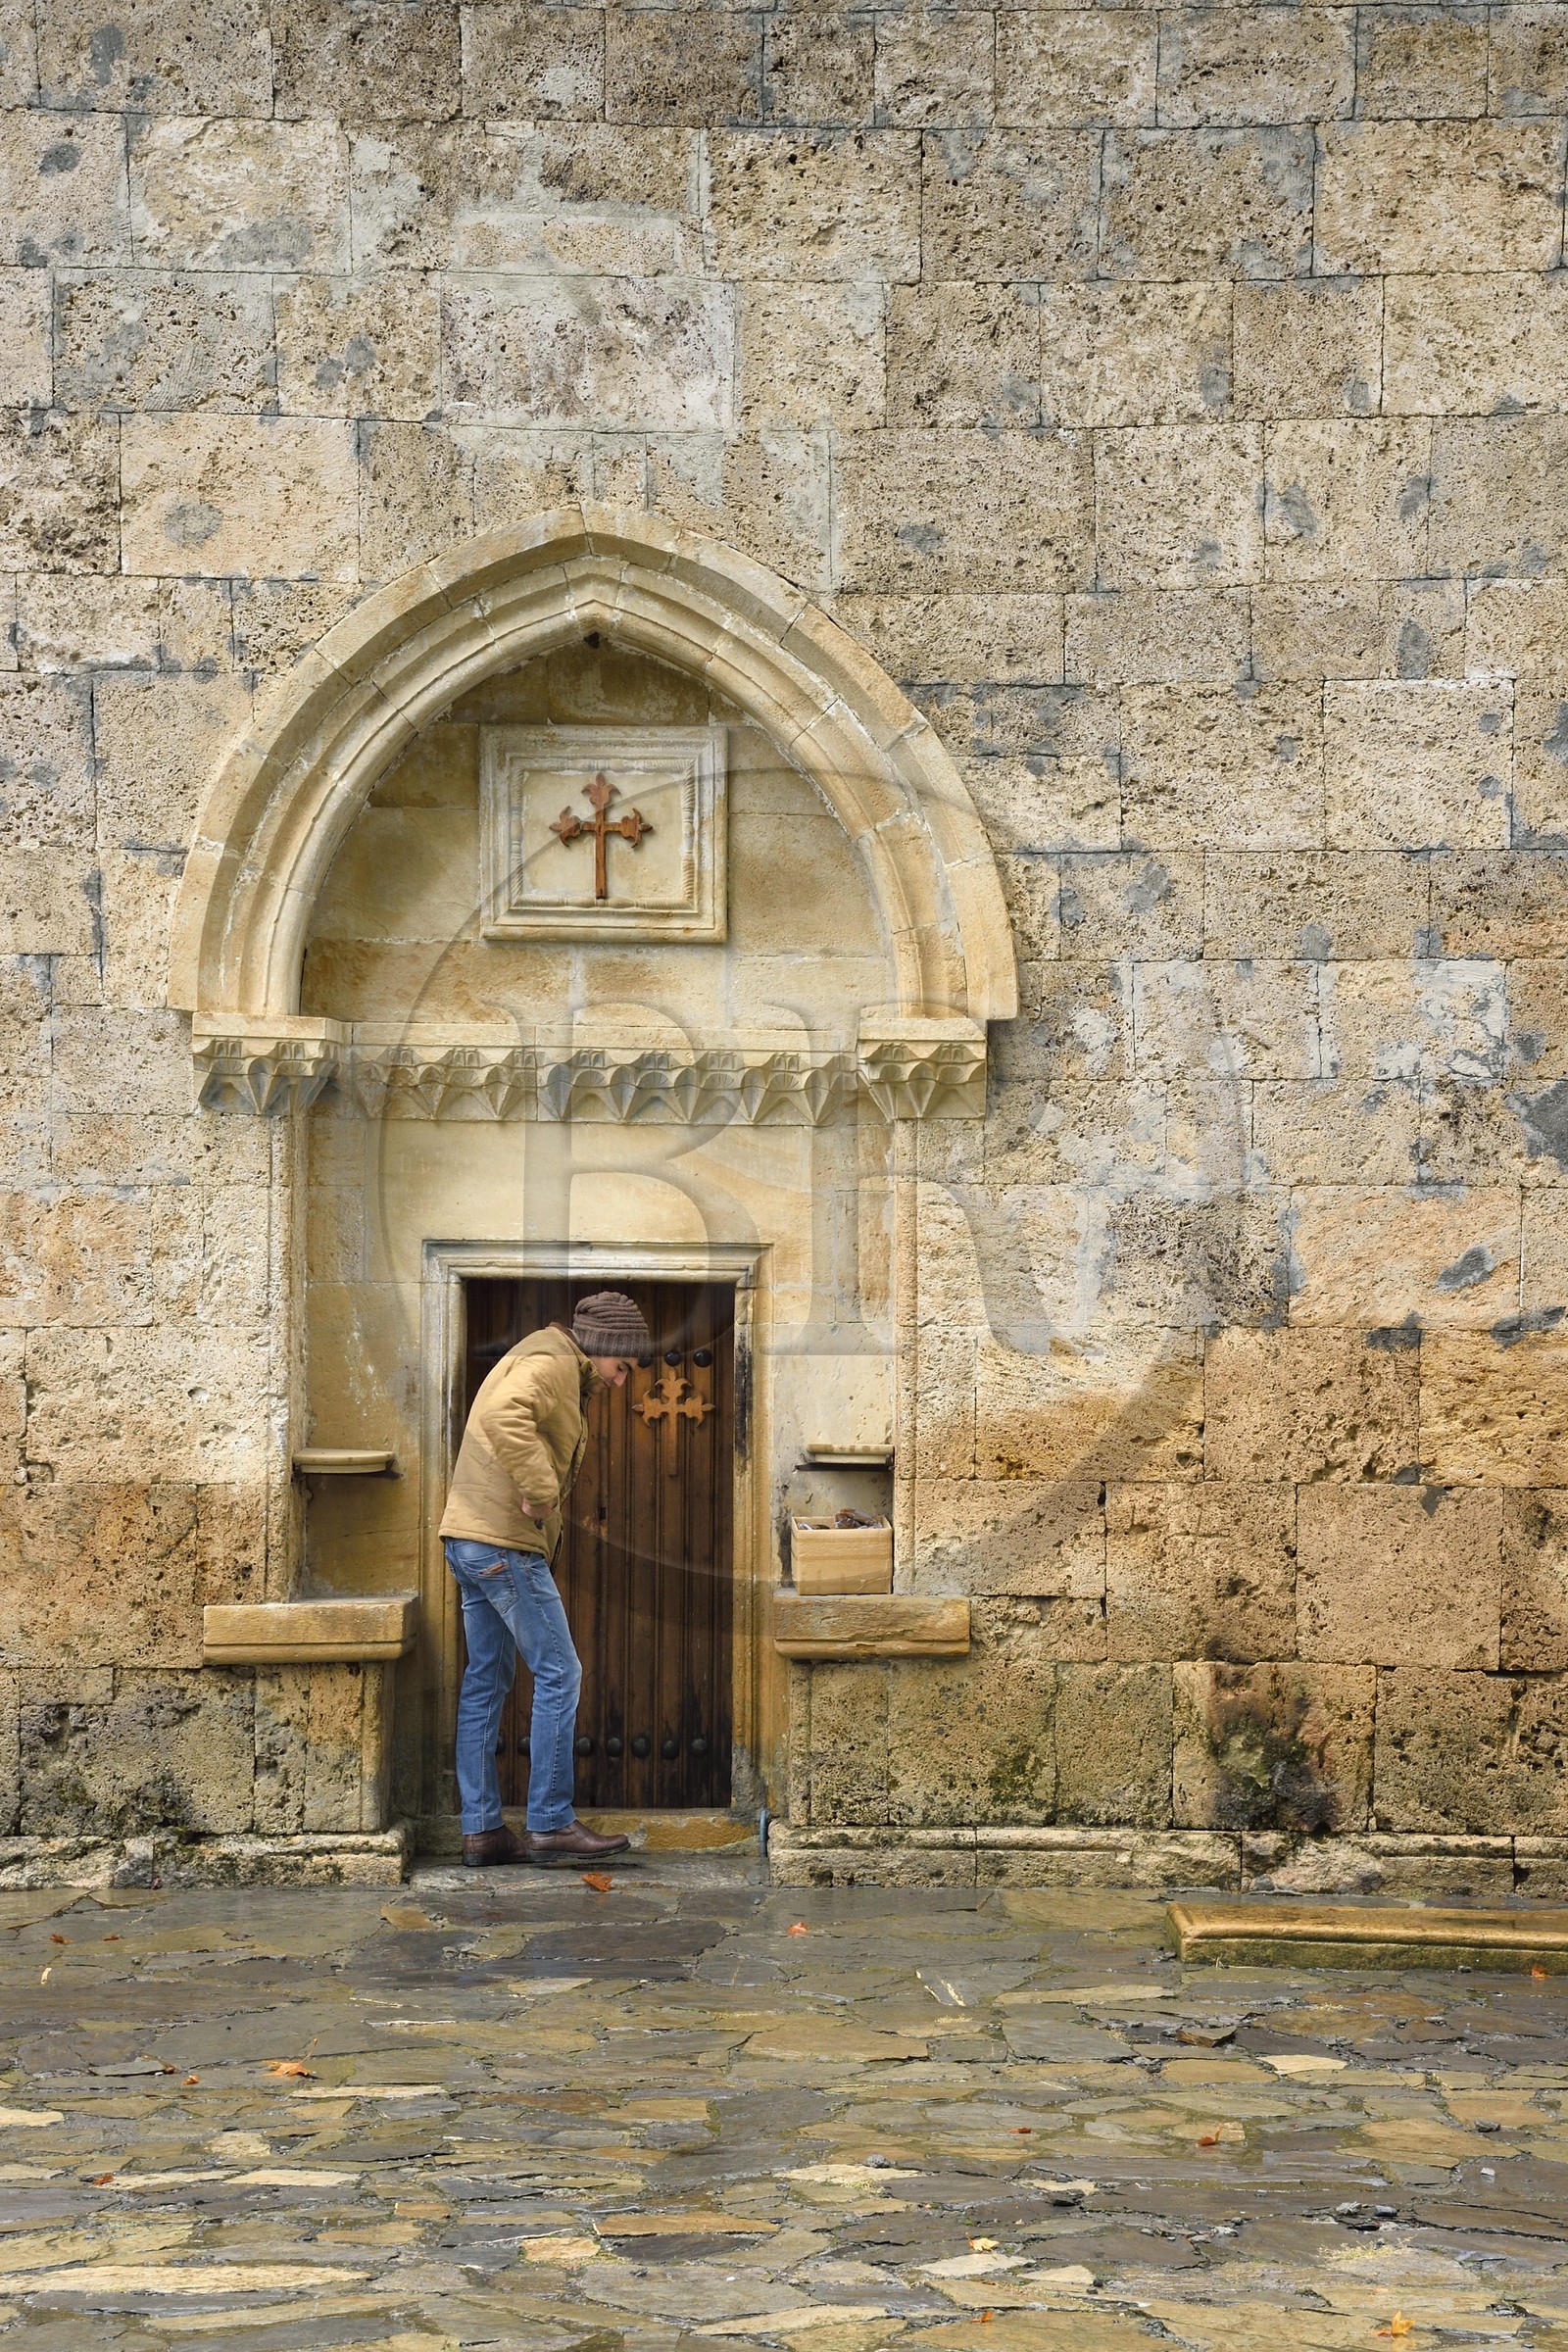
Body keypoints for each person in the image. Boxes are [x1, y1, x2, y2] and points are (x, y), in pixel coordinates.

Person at [439, 1290, 653, 1867]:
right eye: (623, 1366)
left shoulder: (548, 1358)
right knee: (560, 1671)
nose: (621, 1380)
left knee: (487, 1679)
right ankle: (551, 1821)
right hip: (503, 1545)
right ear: (605, 1346)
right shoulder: (553, 1361)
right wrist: (540, 1490)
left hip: (469, 1540)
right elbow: (502, 1415)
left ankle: (482, 1831)